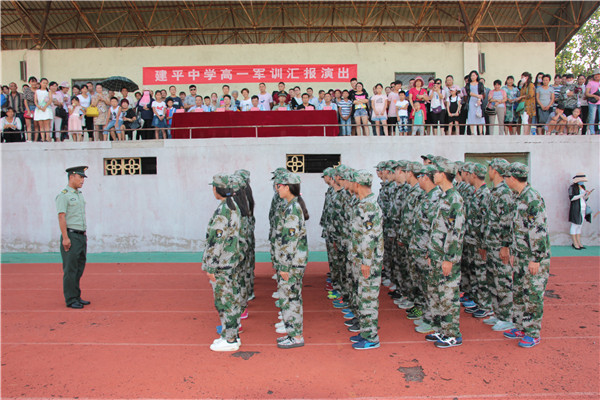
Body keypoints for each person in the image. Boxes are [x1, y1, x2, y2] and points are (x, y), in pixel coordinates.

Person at [503, 162, 551, 348]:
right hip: (522, 255)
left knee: (533, 294)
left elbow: (539, 231)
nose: (505, 180)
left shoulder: (532, 198)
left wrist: (536, 258)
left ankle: (532, 332)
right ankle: (521, 326)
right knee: (520, 292)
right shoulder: (519, 197)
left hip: (533, 257)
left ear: (513, 178)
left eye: (507, 177)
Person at [426, 158, 465, 348]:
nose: (433, 175)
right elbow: (437, 228)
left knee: (448, 295)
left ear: (443, 174)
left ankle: (452, 334)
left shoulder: (454, 199)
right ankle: (441, 329)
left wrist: (449, 258)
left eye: (436, 172)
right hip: (436, 255)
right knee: (436, 293)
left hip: (446, 257)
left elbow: (455, 232)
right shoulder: (443, 197)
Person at [203, 174, 243, 352]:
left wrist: (210, 265)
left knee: (224, 301)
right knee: (231, 300)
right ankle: (229, 334)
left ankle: (230, 339)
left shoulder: (223, 211)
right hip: (231, 261)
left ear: (217, 189)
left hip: (222, 264)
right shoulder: (233, 207)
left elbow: (216, 241)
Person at [347, 170, 384, 350]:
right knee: (363, 296)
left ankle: (371, 337)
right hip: (361, 258)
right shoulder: (363, 203)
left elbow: (370, 237)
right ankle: (365, 332)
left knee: (368, 298)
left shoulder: (368, 206)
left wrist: (366, 262)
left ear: (358, 184)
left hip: (368, 260)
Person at [272, 172, 309, 349]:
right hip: (291, 262)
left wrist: (284, 266)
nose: (277, 189)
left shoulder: (293, 209)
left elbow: (290, 241)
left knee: (291, 298)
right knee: (289, 297)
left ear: (287, 187)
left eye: (279, 185)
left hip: (292, 263)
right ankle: (292, 333)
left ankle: (296, 336)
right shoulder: (291, 206)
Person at [55, 166, 90, 309]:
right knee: (70, 269)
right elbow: (61, 216)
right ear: (71, 177)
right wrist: (65, 238)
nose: (82, 180)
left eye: (83, 178)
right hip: (71, 235)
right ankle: (70, 299)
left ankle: (76, 295)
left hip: (81, 236)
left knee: (79, 267)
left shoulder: (79, 194)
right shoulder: (64, 195)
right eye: (80, 177)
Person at [568, 173, 591, 249]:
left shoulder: (582, 187)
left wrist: (587, 195)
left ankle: (579, 242)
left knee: (580, 225)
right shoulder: (572, 187)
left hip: (583, 208)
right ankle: (574, 243)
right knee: (575, 225)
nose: (582, 182)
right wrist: (582, 194)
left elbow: (584, 199)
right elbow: (572, 198)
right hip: (576, 208)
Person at [465, 70, 485, 135]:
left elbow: (482, 92)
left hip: (479, 101)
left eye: (474, 75)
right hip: (472, 101)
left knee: (479, 116)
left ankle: (481, 132)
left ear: (477, 76)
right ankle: (472, 132)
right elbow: (469, 92)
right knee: (471, 115)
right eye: (471, 76)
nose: (472, 77)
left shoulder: (480, 84)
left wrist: (479, 99)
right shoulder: (468, 84)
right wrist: (477, 96)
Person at [33, 78, 53, 142]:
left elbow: (50, 100)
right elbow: (35, 100)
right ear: (40, 83)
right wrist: (38, 106)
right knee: (41, 125)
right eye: (43, 83)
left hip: (46, 108)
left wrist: (45, 106)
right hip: (39, 109)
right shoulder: (37, 91)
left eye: (46, 83)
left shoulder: (48, 92)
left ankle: (47, 138)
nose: (45, 84)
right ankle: (43, 138)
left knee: (46, 124)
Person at [585, 69, 600, 135]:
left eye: (598, 75)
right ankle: (592, 131)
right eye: (595, 75)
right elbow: (587, 93)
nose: (597, 76)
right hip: (593, 102)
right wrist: (594, 96)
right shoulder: (590, 83)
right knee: (592, 117)